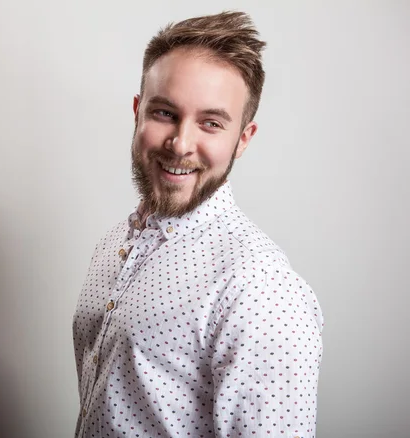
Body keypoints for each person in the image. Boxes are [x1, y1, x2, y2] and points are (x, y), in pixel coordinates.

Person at [72, 11, 324, 438]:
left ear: (243, 138)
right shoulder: (113, 243)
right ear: (138, 113)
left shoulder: (260, 288)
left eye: (211, 123)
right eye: (165, 113)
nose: (181, 144)